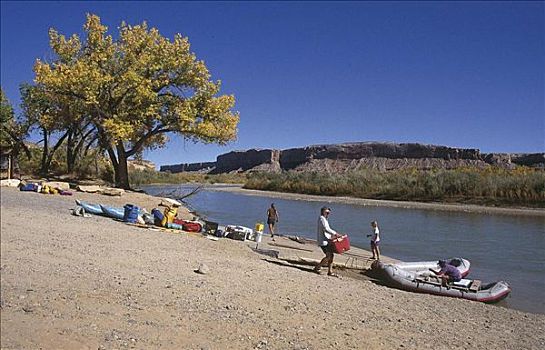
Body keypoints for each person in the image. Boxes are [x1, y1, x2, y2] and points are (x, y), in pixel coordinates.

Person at [314, 206, 341, 277]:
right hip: (323, 241)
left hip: (327, 240)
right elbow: (326, 229)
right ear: (323, 212)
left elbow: (327, 229)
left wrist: (332, 236)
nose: (328, 214)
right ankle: (318, 267)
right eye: (327, 212)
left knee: (331, 255)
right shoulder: (321, 219)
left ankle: (330, 271)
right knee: (329, 256)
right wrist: (335, 233)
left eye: (329, 213)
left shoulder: (325, 219)